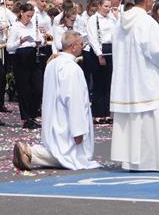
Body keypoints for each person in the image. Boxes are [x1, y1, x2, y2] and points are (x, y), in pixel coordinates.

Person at [12, 30, 100, 171]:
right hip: (66, 121)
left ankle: (29, 153)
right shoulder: (71, 68)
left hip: (54, 117)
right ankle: (30, 152)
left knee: (60, 150)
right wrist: (78, 130)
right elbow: (74, 99)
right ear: (73, 46)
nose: (83, 47)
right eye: (81, 44)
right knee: (69, 155)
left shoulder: (52, 64)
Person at [111, 0, 159, 172]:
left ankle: (132, 161)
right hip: (148, 80)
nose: (153, 2)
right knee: (151, 121)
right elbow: (157, 51)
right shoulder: (147, 23)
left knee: (134, 123)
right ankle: (153, 161)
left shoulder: (120, 23)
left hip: (128, 81)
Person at [7, 2, 46, 129]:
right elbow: (9, 47)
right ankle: (26, 118)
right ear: (21, 13)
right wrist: (20, 41)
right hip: (21, 57)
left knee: (38, 88)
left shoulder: (33, 25)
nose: (29, 18)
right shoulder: (15, 27)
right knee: (24, 89)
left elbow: (42, 39)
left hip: (33, 56)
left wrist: (40, 41)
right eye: (27, 16)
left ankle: (33, 114)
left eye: (31, 16)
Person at [87, 0, 116, 124]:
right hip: (98, 51)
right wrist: (99, 54)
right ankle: (98, 114)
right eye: (105, 6)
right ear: (99, 6)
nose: (108, 9)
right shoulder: (93, 19)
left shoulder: (112, 19)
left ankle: (107, 113)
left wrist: (116, 17)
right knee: (99, 84)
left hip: (110, 50)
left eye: (109, 6)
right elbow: (92, 38)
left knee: (108, 83)